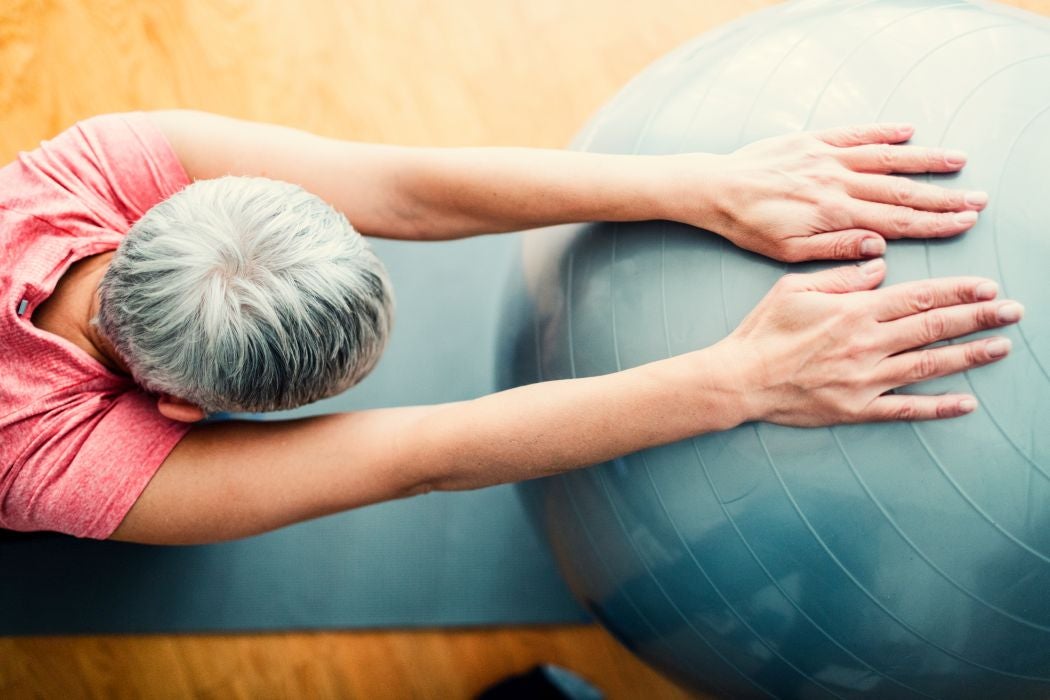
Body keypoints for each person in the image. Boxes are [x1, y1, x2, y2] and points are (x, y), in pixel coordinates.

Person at [0, 111, 1022, 545]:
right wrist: (744, 378)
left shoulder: (91, 169)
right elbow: (421, 456)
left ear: (188, 203)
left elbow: (400, 186)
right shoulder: (43, 463)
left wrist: (707, 186)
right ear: (178, 408)